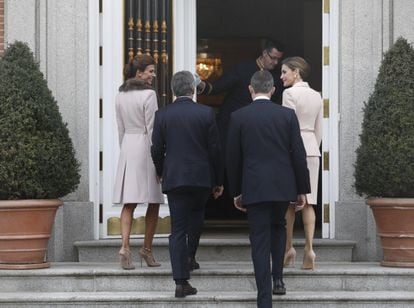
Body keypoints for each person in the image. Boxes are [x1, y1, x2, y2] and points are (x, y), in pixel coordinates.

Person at [226, 70, 310, 308]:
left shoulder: (239, 116)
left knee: (259, 240)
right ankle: (279, 280)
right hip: (283, 186)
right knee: (279, 228)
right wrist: (302, 188)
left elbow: (233, 158)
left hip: (254, 186)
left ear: (250, 90)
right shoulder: (287, 115)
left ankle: (264, 298)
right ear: (273, 90)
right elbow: (298, 154)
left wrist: (236, 191)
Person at [151, 71, 224, 298]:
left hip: (175, 177)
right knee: (196, 219)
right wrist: (218, 180)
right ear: (192, 89)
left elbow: (156, 148)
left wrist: (161, 170)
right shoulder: (206, 113)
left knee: (177, 229)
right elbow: (215, 149)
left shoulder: (162, 114)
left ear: (174, 90)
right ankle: (190, 257)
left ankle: (181, 280)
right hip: (201, 177)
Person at [198, 39, 285, 218]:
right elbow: (217, 88)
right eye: (273, 58)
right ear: (264, 53)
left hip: (257, 129)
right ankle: (219, 208)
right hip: (230, 125)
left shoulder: (277, 78)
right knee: (226, 161)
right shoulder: (242, 68)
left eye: (278, 60)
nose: (275, 63)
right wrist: (199, 85)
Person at [113, 55, 164, 270]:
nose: (153, 75)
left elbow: (120, 128)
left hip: (128, 146)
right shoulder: (149, 94)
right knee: (153, 201)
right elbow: (153, 128)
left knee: (129, 202)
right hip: (145, 146)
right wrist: (159, 157)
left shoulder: (120, 95)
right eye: (150, 71)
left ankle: (125, 247)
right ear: (139, 73)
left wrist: (125, 148)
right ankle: (147, 249)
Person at [280, 57, 323, 270]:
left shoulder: (289, 94)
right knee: (309, 200)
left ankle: (288, 249)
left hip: (293, 150)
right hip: (312, 150)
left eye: (285, 72)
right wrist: (312, 146)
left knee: (290, 202)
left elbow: (287, 126)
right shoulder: (317, 95)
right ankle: (309, 249)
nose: (281, 77)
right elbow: (319, 130)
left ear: (296, 72)